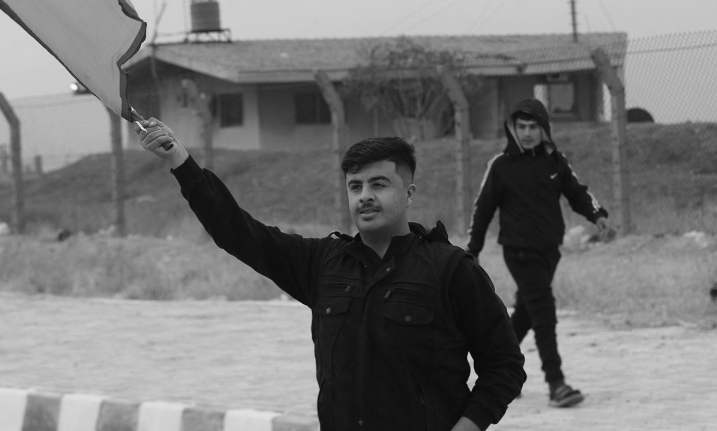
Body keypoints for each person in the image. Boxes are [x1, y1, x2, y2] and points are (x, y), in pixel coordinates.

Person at [135, 118, 525, 431]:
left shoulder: (450, 270)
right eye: (355, 186)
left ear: (408, 194)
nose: (365, 195)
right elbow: (238, 232)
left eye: (379, 184)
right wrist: (181, 162)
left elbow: (504, 366)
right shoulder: (323, 264)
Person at [466, 98, 612, 409]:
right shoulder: (501, 166)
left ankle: (497, 370)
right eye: (522, 127)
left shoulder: (555, 161)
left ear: (544, 129)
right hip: (519, 252)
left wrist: (597, 216)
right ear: (513, 129)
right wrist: (472, 250)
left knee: (526, 314)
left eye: (534, 127)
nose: (528, 133)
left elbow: (577, 192)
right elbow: (483, 210)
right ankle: (556, 384)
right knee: (544, 312)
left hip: (549, 251)